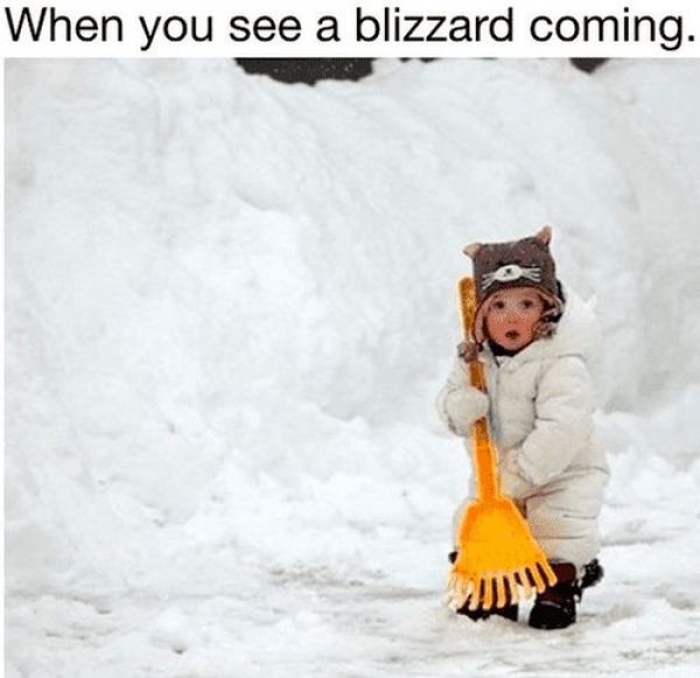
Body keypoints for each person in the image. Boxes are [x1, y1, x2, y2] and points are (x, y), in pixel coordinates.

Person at [437, 226, 609, 630]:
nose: (512, 316)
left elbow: (563, 428)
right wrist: (460, 406)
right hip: (495, 475)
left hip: (561, 473)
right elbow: (447, 403)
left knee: (557, 529)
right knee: (475, 525)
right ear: (481, 315)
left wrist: (523, 473)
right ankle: (495, 584)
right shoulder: (473, 360)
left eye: (526, 303)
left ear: (547, 310)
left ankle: (559, 588)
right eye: (498, 306)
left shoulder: (562, 364)